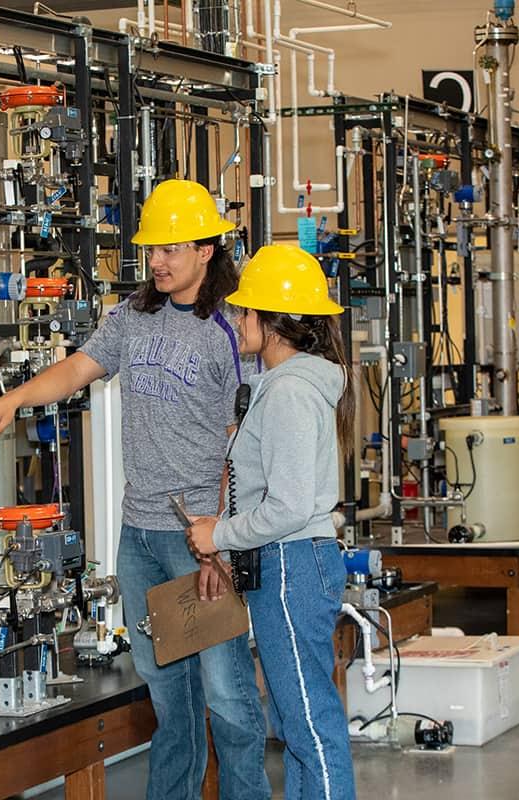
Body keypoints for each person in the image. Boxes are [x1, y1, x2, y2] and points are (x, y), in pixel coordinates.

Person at [0, 179, 270, 800]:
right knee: (169, 700)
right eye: (151, 249)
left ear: (207, 250)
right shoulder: (133, 317)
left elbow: (247, 438)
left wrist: (221, 542)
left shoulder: (233, 326)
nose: (156, 261)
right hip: (141, 539)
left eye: (171, 249)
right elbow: (79, 367)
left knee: (229, 700)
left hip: (200, 540)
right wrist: (17, 398)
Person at [186, 244, 357, 800]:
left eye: (244, 312)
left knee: (309, 723)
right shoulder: (285, 386)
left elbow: (287, 506)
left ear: (271, 321)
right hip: (287, 566)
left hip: (291, 567)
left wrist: (219, 535)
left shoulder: (288, 392)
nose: (237, 321)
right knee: (296, 719)